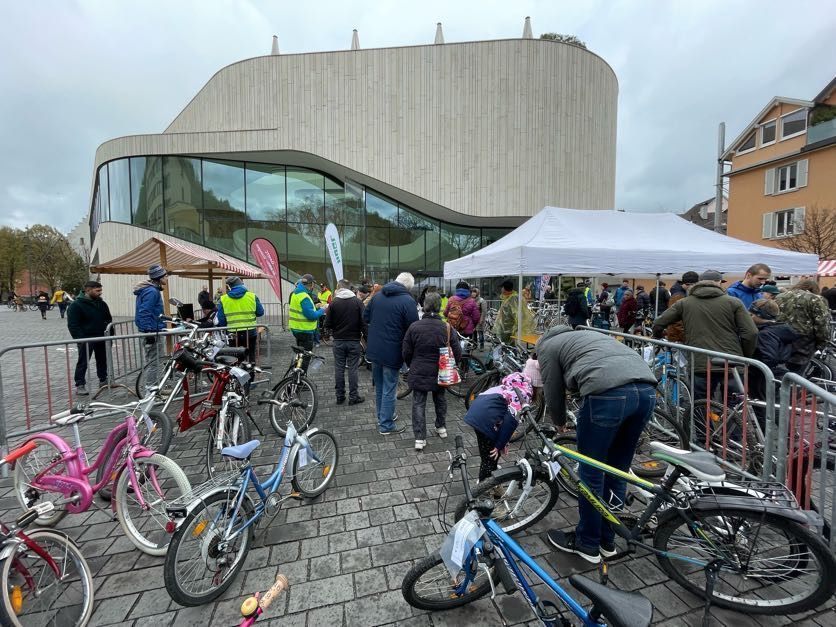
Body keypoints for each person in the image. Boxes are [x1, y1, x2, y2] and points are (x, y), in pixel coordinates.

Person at [537, 326, 657, 563]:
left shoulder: (546, 346)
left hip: (607, 395)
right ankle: (607, 540)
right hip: (647, 391)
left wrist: (559, 421)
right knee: (617, 470)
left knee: (591, 471)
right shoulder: (586, 336)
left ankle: (588, 543)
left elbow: (552, 388)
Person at [652, 270, 758, 401]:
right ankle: (729, 415)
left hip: (700, 362)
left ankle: (703, 414)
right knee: (734, 404)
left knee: (701, 404)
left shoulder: (685, 303)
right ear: (719, 283)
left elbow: (659, 323)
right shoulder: (734, 302)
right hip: (731, 361)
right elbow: (751, 333)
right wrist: (744, 356)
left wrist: (657, 335)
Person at [402, 292, 462, 451]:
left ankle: (419, 438)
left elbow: (406, 351)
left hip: (419, 368)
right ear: (440, 307)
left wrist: (411, 364)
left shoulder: (414, 327)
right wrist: (453, 364)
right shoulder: (446, 327)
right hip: (441, 371)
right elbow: (457, 351)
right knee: (440, 399)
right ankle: (441, 427)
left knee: (418, 403)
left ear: (424, 306)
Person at [364, 272, 418, 435]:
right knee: (389, 387)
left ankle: (383, 416)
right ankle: (386, 425)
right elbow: (413, 328)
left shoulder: (378, 296)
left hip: (375, 349)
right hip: (393, 351)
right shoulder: (408, 301)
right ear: (408, 287)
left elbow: (365, 317)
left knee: (381, 386)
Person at [463, 372, 533, 481]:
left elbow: (504, 417)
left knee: (487, 452)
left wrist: (503, 443)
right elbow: (510, 422)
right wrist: (499, 445)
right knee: (491, 457)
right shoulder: (521, 396)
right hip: (486, 420)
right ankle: (484, 485)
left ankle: (489, 474)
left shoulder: (506, 387)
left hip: (477, 413)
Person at [748, 299, 797, 417]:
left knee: (764, 408)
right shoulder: (780, 329)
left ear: (760, 315)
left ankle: (765, 428)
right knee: (776, 407)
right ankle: (784, 429)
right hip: (779, 372)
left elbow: (769, 357)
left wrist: (753, 368)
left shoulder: (765, 334)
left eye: (752, 314)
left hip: (765, 376)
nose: (749, 316)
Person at [775, 279, 831, 375]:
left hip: (780, 338)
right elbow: (822, 324)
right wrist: (822, 343)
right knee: (797, 374)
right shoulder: (815, 299)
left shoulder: (780, 296)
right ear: (813, 289)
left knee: (779, 371)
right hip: (803, 342)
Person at [67, 281, 113, 396]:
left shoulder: (102, 303)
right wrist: (80, 339)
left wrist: (110, 335)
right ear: (88, 290)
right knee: (83, 362)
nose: (100, 293)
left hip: (102, 336)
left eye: (100, 290)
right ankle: (80, 384)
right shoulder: (76, 305)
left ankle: (103, 379)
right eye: (97, 290)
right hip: (86, 338)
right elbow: (73, 325)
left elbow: (108, 320)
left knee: (102, 359)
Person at [326, 279, 366, 406]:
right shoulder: (358, 302)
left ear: (339, 288)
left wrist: (335, 330)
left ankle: (340, 396)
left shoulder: (333, 303)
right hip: (354, 341)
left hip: (338, 341)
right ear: (350, 288)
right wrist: (367, 339)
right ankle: (353, 396)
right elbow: (364, 323)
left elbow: (327, 324)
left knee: (339, 368)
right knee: (353, 369)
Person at [134, 264, 168, 393]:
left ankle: (154, 388)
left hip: (153, 329)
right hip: (152, 331)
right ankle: (152, 390)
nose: (167, 278)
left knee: (154, 360)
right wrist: (148, 332)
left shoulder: (150, 290)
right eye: (165, 276)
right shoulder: (152, 292)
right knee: (155, 361)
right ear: (159, 277)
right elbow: (144, 312)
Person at [218, 276, 264, 363]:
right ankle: (251, 369)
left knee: (235, 357)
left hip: (233, 332)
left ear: (230, 286)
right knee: (251, 354)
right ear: (241, 284)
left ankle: (237, 370)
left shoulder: (223, 299)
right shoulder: (252, 296)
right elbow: (260, 312)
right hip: (250, 331)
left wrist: (226, 326)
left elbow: (221, 319)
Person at [288, 274, 325, 371]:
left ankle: (295, 373)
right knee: (306, 356)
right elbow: (311, 316)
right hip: (305, 330)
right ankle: (301, 376)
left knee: (300, 354)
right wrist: (323, 310)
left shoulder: (295, 293)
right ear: (311, 284)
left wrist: (315, 307)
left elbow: (302, 309)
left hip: (297, 329)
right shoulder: (304, 296)